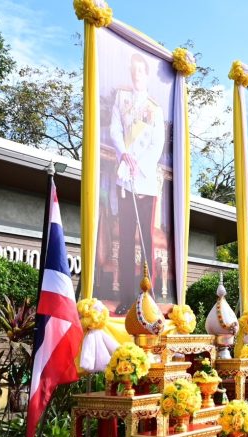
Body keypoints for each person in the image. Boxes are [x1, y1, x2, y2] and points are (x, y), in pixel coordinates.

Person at [109, 52, 165, 313]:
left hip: (145, 181)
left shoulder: (155, 108)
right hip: (125, 179)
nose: (136, 75)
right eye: (133, 71)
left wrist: (139, 165)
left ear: (147, 75)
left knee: (145, 242)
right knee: (126, 240)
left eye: (140, 71)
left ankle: (148, 296)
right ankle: (126, 298)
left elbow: (157, 143)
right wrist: (125, 154)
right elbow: (114, 130)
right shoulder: (121, 99)